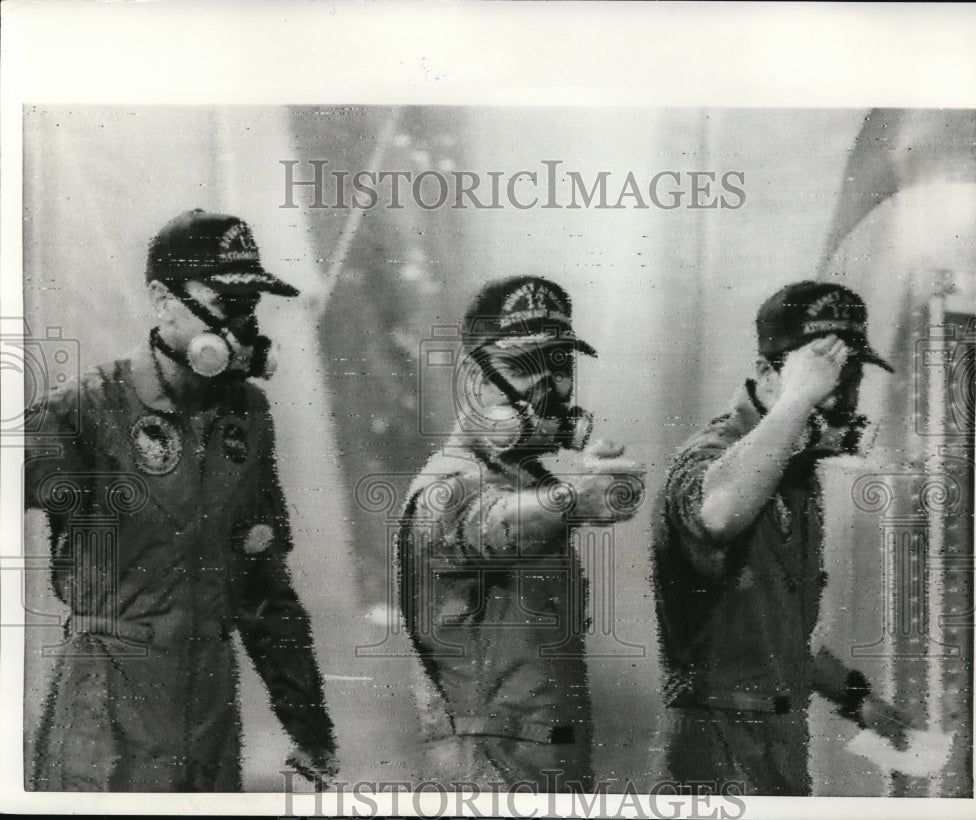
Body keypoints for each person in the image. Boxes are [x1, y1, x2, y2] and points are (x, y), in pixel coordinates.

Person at [24, 209, 337, 791]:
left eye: (251, 306)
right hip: (104, 728)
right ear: (162, 299)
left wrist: (310, 725)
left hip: (208, 725)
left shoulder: (247, 416)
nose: (242, 326)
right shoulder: (87, 408)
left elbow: (265, 591)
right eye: (224, 302)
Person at [653, 280, 910, 796]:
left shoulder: (795, 475)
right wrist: (799, 402)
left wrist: (856, 697)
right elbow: (717, 514)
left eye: (850, 375)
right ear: (769, 373)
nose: (840, 394)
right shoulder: (714, 454)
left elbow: (772, 635)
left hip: (778, 748)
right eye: (824, 372)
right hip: (718, 757)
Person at [398, 276, 645, 791]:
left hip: (545, 765)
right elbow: (489, 524)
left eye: (559, 366)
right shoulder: (446, 485)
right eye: (521, 367)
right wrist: (578, 499)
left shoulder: (523, 477)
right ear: (475, 377)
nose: (547, 389)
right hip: (490, 772)